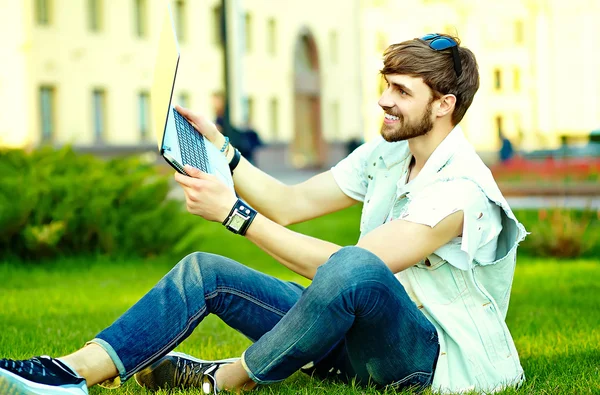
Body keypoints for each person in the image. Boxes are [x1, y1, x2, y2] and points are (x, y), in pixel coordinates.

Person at [0, 33, 527, 394]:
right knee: (204, 270)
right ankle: (68, 374)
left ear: (444, 105)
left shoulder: (462, 191)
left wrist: (234, 215)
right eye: (385, 85)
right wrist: (222, 151)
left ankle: (224, 378)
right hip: (351, 336)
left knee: (353, 267)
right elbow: (290, 203)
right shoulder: (389, 153)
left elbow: (349, 271)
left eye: (402, 91)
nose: (385, 101)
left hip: (424, 361)